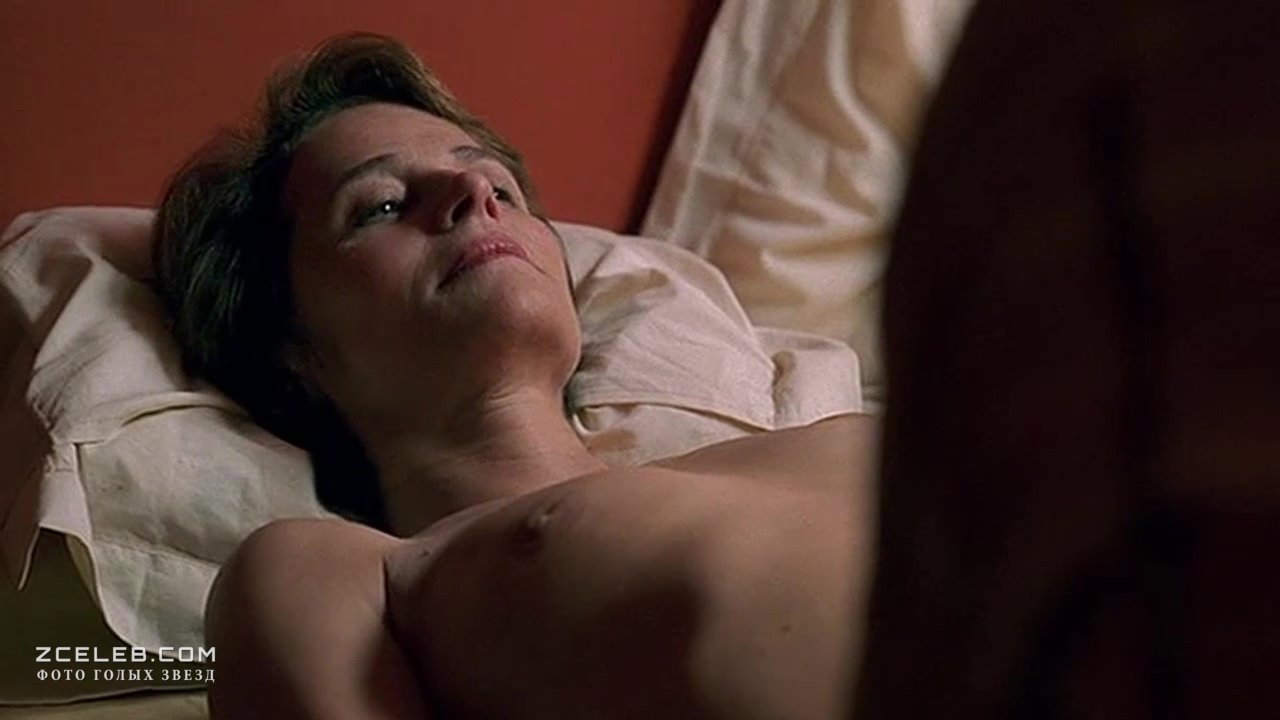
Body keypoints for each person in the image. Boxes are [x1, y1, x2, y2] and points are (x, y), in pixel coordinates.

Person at [153, 34, 874, 719]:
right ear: (290, 350)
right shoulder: (349, 575)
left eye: (502, 185)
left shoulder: (827, 440)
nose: (474, 189)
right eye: (383, 206)